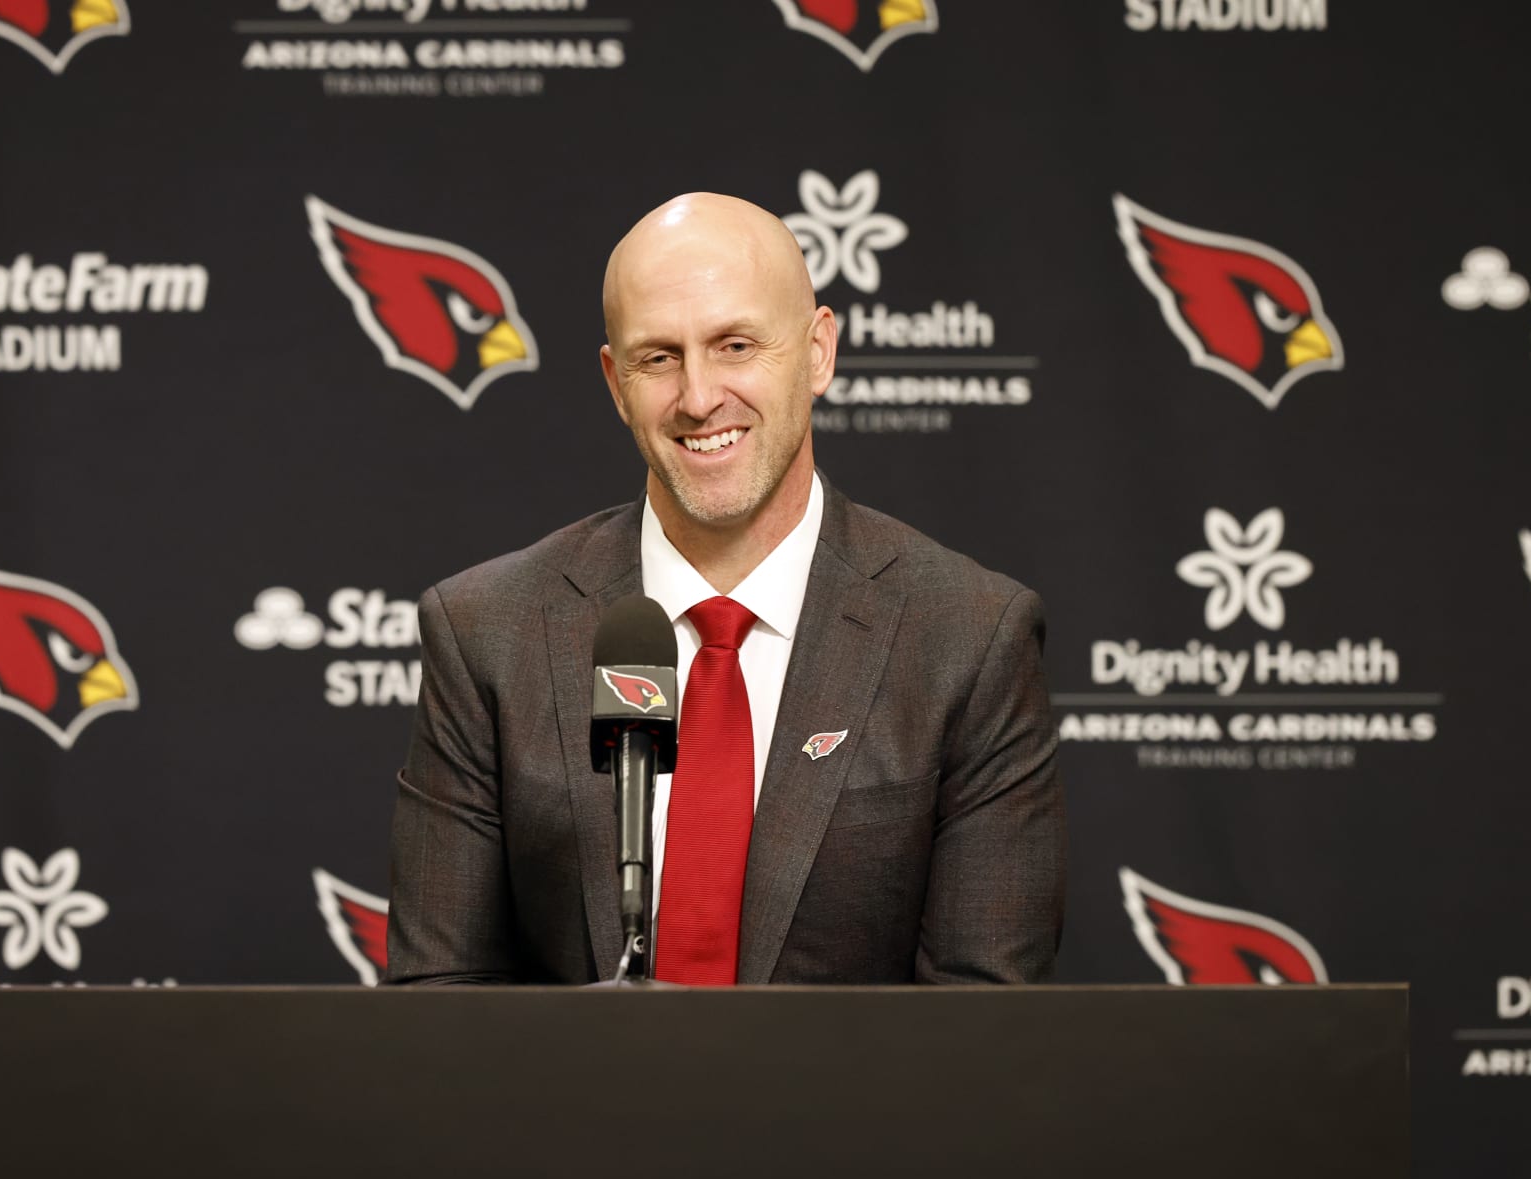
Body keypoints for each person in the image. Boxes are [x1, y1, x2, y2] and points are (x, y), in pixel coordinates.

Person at [386, 193, 1066, 985]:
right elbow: (440, 1001)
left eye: (735, 345)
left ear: (818, 352)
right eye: (658, 358)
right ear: (615, 383)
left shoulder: (970, 637)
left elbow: (983, 1019)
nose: (700, 397)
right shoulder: (485, 630)